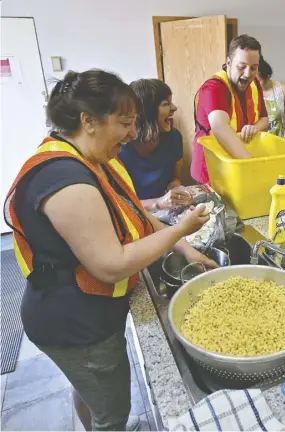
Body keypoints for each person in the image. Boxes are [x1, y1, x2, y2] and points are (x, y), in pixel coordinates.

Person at [4, 70, 217, 431]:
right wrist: (181, 228)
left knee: (91, 392)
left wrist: (186, 249)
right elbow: (110, 266)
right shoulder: (65, 181)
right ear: (88, 121)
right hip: (74, 323)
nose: (133, 133)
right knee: (111, 412)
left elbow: (137, 216)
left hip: (81, 312)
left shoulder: (92, 158)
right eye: (125, 123)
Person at [192, 34, 269, 184]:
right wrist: (250, 164)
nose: (248, 74)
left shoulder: (255, 85)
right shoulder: (214, 88)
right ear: (228, 63)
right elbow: (220, 127)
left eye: (254, 68)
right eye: (242, 67)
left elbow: (265, 119)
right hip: (213, 171)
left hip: (239, 166)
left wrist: (254, 127)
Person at [118, 78, 193, 211]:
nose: (174, 108)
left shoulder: (174, 137)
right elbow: (117, 204)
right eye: (166, 104)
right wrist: (157, 203)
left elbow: (174, 178)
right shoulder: (118, 148)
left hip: (164, 212)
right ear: (146, 112)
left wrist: (176, 188)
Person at [257, 58, 285, 139]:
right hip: (258, 142)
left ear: (267, 76)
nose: (255, 83)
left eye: (258, 80)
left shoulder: (282, 90)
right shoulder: (251, 90)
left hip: (278, 140)